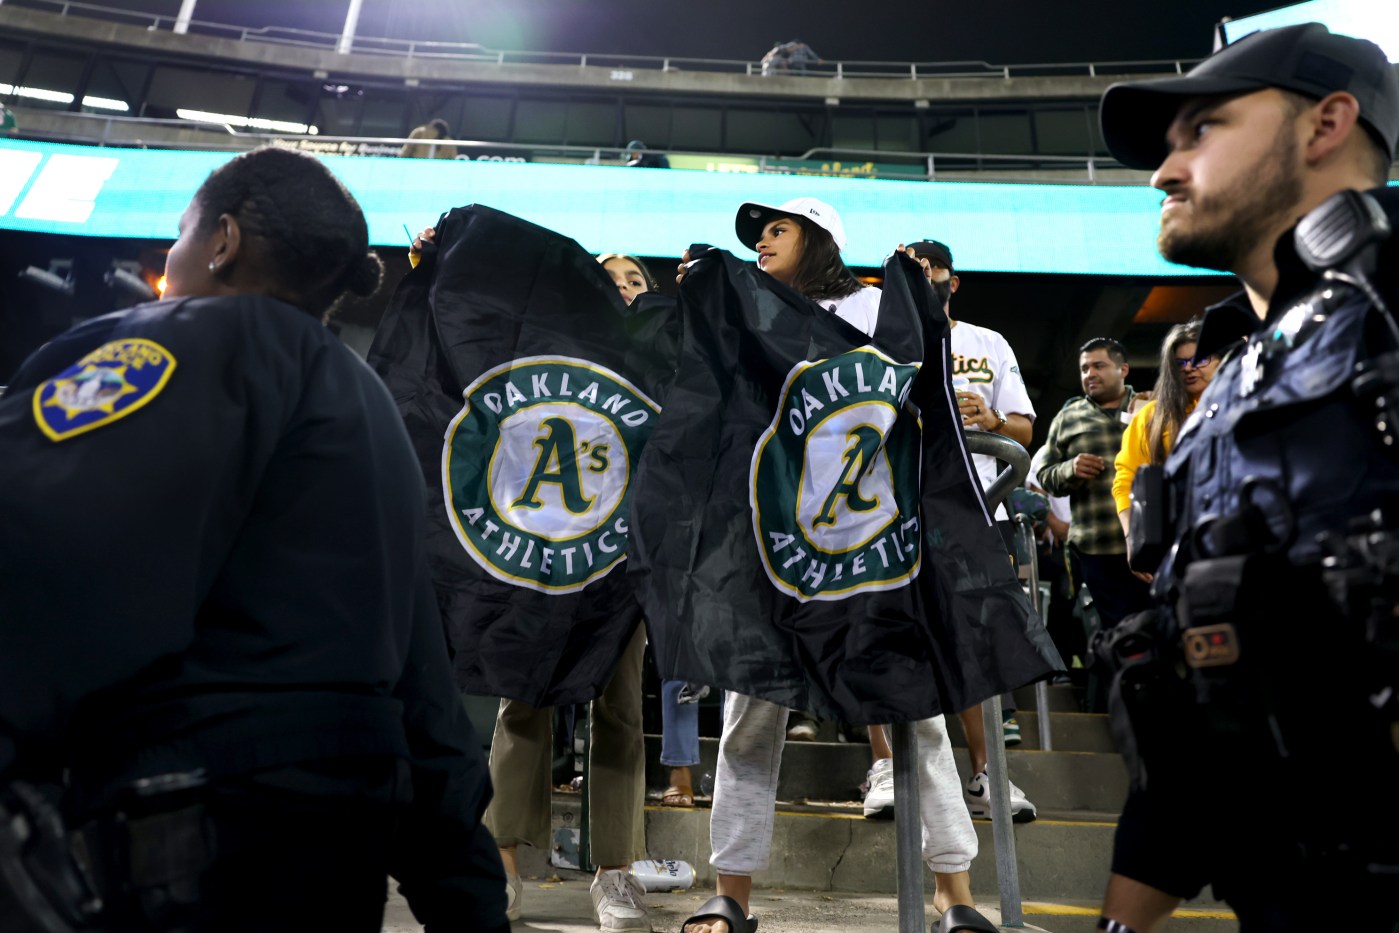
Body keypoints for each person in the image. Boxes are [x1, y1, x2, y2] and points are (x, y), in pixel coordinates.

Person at [0, 146, 509, 932]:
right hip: (337, 858)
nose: (171, 258)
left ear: (223, 240)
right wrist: (466, 899)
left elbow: (29, 541)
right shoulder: (371, 412)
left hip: (179, 843)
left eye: (180, 235)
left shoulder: (168, 346)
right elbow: (423, 690)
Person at [1094, 23, 1399, 930]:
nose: (1163, 170)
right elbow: (1200, 728)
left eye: (1203, 130)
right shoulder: (1231, 381)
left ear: (1325, 124)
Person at [677, 199, 994, 933]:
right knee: (748, 717)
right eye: (758, 233)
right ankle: (731, 895)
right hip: (776, 543)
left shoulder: (875, 308)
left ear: (818, 239)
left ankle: (956, 896)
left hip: (871, 542)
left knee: (916, 714)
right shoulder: (748, 315)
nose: (761, 240)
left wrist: (923, 303)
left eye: (777, 229)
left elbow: (919, 389)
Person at [895, 237, 1040, 823]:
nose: (923, 277)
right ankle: (888, 769)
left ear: (952, 282)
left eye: (931, 271)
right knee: (894, 641)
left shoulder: (987, 342)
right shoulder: (879, 342)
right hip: (897, 510)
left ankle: (986, 775)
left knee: (976, 643)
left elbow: (1025, 430)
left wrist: (992, 418)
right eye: (911, 270)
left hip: (981, 508)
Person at [1037, 337, 1151, 633]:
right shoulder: (1068, 416)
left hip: (1150, 542)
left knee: (1160, 627)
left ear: (1123, 369)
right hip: (1098, 546)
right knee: (1117, 634)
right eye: (1084, 368)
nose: (1090, 374)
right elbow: (1045, 475)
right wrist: (1070, 470)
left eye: (1099, 366)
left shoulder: (1151, 407)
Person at [1110, 320, 1218, 554]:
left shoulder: (1238, 408)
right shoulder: (1150, 416)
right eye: (1180, 363)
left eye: (1200, 359)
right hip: (1171, 543)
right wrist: (1132, 538)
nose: (1189, 368)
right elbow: (1126, 479)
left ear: (1220, 361)